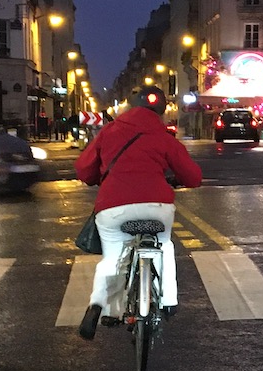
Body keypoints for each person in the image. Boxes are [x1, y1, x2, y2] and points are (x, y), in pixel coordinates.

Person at [74, 86, 203, 340]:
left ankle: (99, 305)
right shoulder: (164, 137)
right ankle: (168, 300)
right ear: (161, 111)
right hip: (157, 207)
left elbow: (84, 170)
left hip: (113, 206)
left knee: (112, 259)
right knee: (164, 245)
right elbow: (194, 177)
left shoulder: (110, 131)